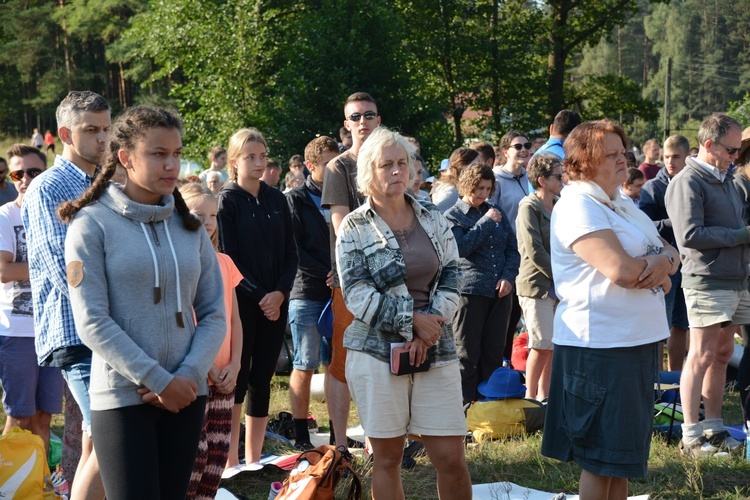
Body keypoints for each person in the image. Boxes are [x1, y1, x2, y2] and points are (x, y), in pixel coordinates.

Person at [60, 105, 226, 500]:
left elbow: (215, 311)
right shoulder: (92, 224)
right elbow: (92, 321)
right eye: (158, 153)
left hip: (187, 394)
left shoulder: (189, 227)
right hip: (123, 396)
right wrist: (158, 380)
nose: (172, 164)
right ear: (126, 158)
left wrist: (186, 377)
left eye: (176, 153)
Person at [541, 119, 678, 499]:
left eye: (624, 152)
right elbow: (621, 270)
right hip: (598, 347)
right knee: (601, 462)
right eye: (612, 154)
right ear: (585, 161)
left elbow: (670, 250)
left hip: (632, 343)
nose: (624, 160)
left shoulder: (620, 204)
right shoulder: (578, 206)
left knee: (621, 463)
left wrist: (663, 264)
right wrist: (662, 266)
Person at [336, 127, 471, 499]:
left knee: (450, 456)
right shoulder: (355, 226)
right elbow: (357, 293)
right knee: (388, 457)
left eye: (403, 163)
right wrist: (412, 320)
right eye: (387, 165)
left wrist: (431, 326)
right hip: (376, 353)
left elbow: (453, 272)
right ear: (369, 172)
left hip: (436, 346)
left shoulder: (432, 216)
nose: (397, 171)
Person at [22, 90, 110, 500]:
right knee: (112, 436)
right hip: (76, 331)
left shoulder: (107, 183)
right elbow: (63, 270)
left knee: (98, 437)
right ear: (65, 134)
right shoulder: (48, 188)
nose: (103, 139)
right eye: (91, 130)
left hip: (111, 330)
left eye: (107, 129)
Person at [665, 114, 749, 457]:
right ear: (709, 144)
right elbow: (689, 235)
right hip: (706, 279)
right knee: (699, 355)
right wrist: (741, 236)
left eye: (739, 148)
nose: (736, 155)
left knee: (724, 354)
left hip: (735, 278)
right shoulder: (688, 181)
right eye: (731, 149)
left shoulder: (727, 178)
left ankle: (714, 429)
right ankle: (690, 435)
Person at [218, 128, 298, 465]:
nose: (258, 162)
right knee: (238, 378)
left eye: (262, 156)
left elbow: (290, 254)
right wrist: (261, 295)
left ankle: (253, 457)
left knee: (263, 377)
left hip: (275, 303)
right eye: (250, 156)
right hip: (242, 303)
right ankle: (231, 458)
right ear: (234, 161)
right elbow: (229, 255)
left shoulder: (278, 198)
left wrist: (279, 294)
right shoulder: (227, 201)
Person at [321, 91, 381, 450]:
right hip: (353, 281)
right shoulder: (338, 167)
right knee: (342, 364)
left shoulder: (392, 160)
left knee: (383, 362)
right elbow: (341, 225)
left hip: (393, 283)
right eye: (355, 117)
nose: (363, 122)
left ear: (379, 119)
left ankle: (380, 441)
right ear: (346, 124)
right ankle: (340, 444)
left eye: (369, 115)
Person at [179, 183, 243, 499]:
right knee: (196, 453)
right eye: (198, 214)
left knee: (217, 456)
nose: (207, 221)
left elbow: (234, 319)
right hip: (196, 375)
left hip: (225, 376)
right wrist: (201, 366)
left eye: (213, 215)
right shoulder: (178, 265)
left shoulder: (224, 262)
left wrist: (236, 364)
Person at [0, 145, 62, 455]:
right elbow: (5, 270)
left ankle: (38, 483)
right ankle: (6, 485)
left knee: (43, 417)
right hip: (17, 332)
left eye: (33, 172)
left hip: (52, 330)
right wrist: (51, 265)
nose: (25, 179)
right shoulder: (5, 216)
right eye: (17, 173)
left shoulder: (57, 216)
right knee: (19, 415)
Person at [444, 162, 520, 405]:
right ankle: (464, 408)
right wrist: (486, 222)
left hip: (500, 292)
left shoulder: (496, 210)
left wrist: (508, 277)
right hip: (470, 291)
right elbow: (460, 248)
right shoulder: (453, 215)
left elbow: (512, 249)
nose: (483, 194)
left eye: (487, 189)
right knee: (467, 353)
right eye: (478, 188)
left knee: (494, 352)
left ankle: (489, 406)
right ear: (467, 186)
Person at [286, 136, 339, 451]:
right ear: (310, 166)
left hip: (339, 292)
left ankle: (337, 433)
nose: (335, 170)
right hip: (306, 291)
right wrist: (326, 274)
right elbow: (293, 249)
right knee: (305, 363)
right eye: (329, 165)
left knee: (335, 366)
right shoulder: (295, 199)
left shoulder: (344, 196)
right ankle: (301, 434)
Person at [639, 134, 691, 371]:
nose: (670, 162)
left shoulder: (693, 183)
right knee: (662, 324)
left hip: (690, 262)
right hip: (665, 263)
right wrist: (673, 223)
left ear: (687, 157)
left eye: (676, 157)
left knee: (682, 324)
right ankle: (657, 380)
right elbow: (645, 227)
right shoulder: (653, 187)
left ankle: (677, 378)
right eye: (667, 157)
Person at [515, 153, 563, 401]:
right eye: (558, 175)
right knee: (541, 344)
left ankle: (545, 401)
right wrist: (561, 276)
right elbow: (533, 251)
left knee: (552, 348)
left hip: (557, 285)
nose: (562, 179)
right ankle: (530, 400)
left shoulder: (559, 204)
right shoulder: (528, 206)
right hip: (536, 286)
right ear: (542, 180)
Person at [432, 147, 481, 213]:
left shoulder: (458, 188)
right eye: (476, 164)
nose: (480, 168)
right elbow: (433, 211)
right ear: (464, 166)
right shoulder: (451, 191)